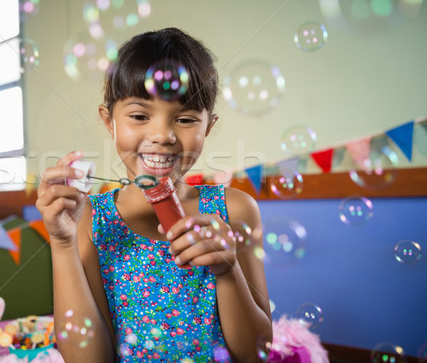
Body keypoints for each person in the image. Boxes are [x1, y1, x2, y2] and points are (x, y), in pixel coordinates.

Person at [36, 27, 272, 362]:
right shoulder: (90, 219)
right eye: (139, 116)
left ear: (208, 125)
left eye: (186, 118)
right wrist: (62, 243)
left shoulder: (233, 210)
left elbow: (257, 353)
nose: (162, 135)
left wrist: (228, 269)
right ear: (109, 121)